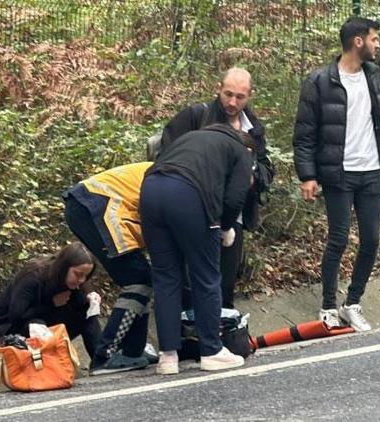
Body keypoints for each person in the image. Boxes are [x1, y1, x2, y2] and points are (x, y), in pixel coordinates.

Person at [293, 17, 380, 332]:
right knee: (338, 239)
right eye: (374, 39)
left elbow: (377, 124)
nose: (378, 44)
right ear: (358, 41)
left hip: (371, 172)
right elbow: (305, 133)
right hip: (339, 173)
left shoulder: (373, 76)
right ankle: (327, 307)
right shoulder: (320, 80)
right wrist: (307, 175)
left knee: (372, 239)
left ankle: (353, 302)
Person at [150, 67, 274, 309]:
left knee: (225, 282)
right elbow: (167, 158)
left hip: (233, 213)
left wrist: (253, 176)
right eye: (228, 94)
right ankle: (188, 338)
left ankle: (220, 335)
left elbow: (267, 168)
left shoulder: (253, 128)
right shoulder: (197, 117)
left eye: (240, 97)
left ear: (250, 95)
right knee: (189, 280)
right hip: (193, 211)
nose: (232, 102)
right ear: (218, 89)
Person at [140, 124, 253, 375]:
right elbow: (236, 196)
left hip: (150, 189)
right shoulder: (240, 150)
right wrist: (226, 227)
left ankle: (168, 356)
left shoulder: (192, 137)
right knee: (206, 275)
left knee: (165, 276)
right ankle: (211, 350)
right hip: (189, 195)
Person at [63, 163, 155, 375]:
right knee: (139, 279)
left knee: (142, 278)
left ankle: (132, 352)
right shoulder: (181, 177)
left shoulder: (177, 168)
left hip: (86, 204)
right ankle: (105, 355)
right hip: (98, 206)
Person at [0, 242, 101, 364]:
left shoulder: (77, 281)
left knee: (87, 315)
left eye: (86, 276)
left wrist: (90, 298)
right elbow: (16, 316)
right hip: (6, 330)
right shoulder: (33, 275)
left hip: (45, 327)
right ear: (64, 267)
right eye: (78, 274)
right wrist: (51, 304)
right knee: (37, 324)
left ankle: (100, 361)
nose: (81, 280)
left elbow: (82, 303)